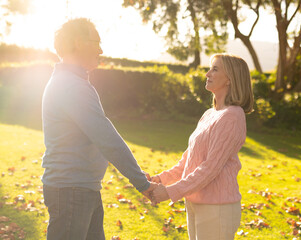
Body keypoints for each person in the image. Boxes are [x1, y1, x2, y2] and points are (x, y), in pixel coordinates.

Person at [41, 18, 156, 240]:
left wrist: (138, 175)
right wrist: (141, 181)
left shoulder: (72, 82)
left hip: (81, 187)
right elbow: (107, 138)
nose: (101, 49)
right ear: (79, 42)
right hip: (71, 190)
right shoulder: (71, 86)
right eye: (97, 42)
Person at [150, 53, 254, 240]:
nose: (207, 74)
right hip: (195, 202)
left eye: (215, 69)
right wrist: (161, 180)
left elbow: (209, 169)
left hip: (217, 207)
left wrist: (168, 192)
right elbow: (188, 161)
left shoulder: (232, 116)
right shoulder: (209, 114)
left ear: (230, 79)